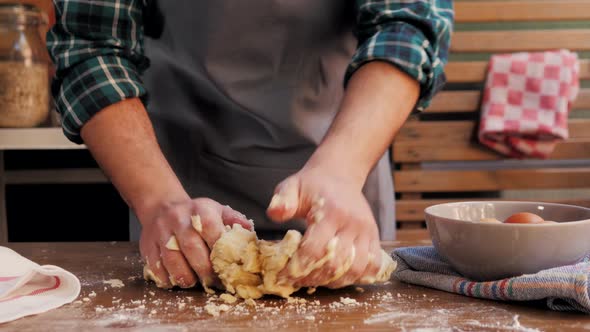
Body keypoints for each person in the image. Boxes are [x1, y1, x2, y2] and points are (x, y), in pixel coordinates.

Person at [47, 1, 452, 291]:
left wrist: (342, 171)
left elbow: (408, 26)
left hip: (345, 166)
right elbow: (90, 46)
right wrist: (157, 200)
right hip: (176, 181)